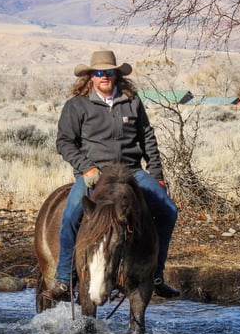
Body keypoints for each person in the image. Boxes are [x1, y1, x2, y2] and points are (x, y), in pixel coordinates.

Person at [42, 50, 180, 300]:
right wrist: (85, 167)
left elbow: (147, 137)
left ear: (116, 75)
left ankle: (156, 273)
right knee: (71, 214)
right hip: (95, 173)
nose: (104, 76)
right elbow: (64, 142)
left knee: (169, 210)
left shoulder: (132, 101)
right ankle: (64, 278)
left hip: (131, 171)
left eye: (109, 72)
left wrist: (156, 173)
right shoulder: (77, 105)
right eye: (99, 72)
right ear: (90, 77)